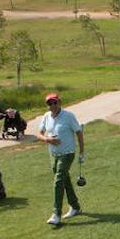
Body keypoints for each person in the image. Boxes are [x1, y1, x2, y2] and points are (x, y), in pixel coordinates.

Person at [38, 92, 85, 226]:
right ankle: (75, 206)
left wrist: (82, 152)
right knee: (65, 179)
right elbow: (39, 134)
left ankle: (56, 214)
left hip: (68, 153)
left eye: (54, 102)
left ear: (59, 102)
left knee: (58, 180)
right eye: (49, 103)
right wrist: (48, 139)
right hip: (53, 154)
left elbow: (79, 133)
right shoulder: (46, 116)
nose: (52, 105)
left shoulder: (69, 116)